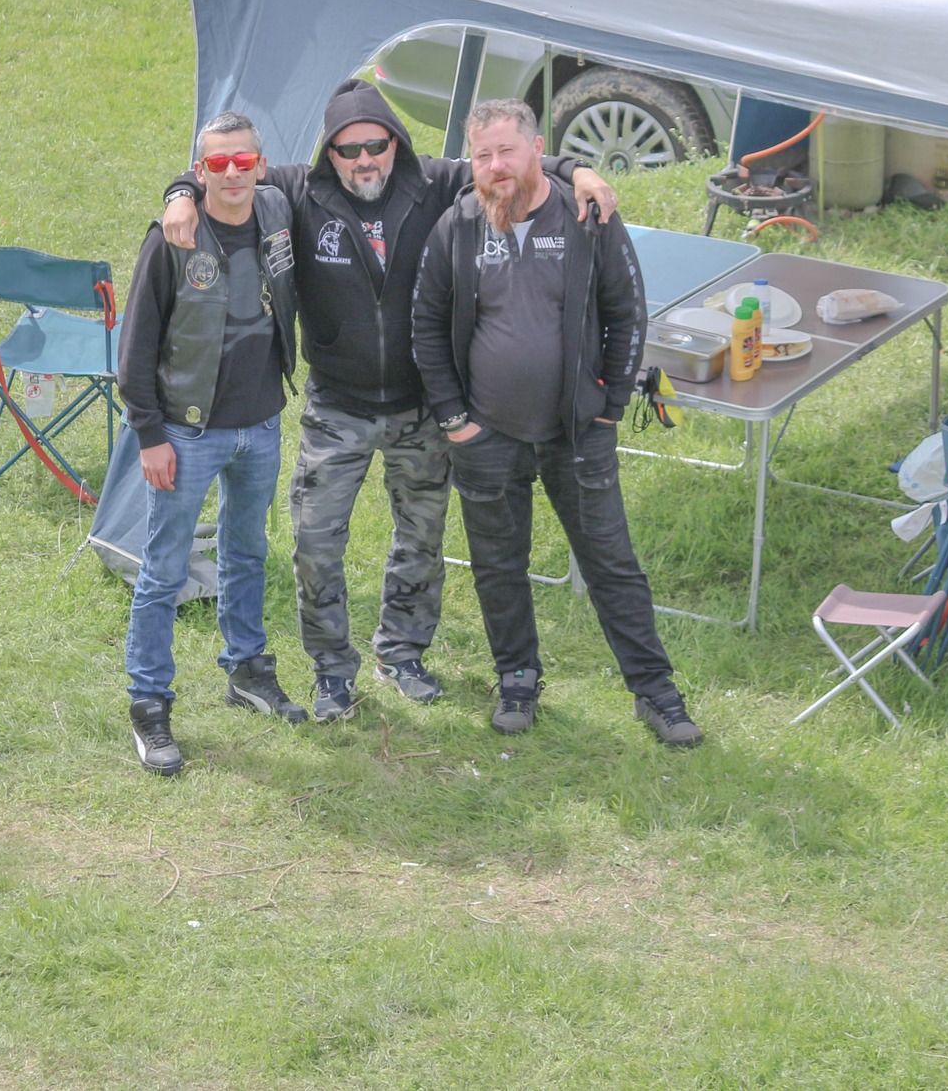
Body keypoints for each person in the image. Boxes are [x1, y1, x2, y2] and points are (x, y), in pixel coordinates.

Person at [158, 80, 618, 722]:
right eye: (348, 151)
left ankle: (402, 653)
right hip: (336, 406)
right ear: (330, 154)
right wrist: (180, 194)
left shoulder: (434, 183)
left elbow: (509, 160)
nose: (364, 160)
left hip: (421, 406)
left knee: (421, 540)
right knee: (316, 544)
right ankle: (331, 670)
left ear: (395, 143)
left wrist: (581, 169)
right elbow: (224, 167)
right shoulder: (298, 191)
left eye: (376, 145)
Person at [411, 98, 703, 747]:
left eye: (507, 151)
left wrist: (611, 407)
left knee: (611, 562)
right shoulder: (458, 225)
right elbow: (426, 325)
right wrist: (455, 420)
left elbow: (628, 311)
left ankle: (656, 691)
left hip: (578, 433)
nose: (495, 166)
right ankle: (517, 678)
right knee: (498, 564)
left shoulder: (585, 217)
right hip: (485, 435)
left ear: (537, 150)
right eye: (482, 155)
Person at [117, 110, 305, 776]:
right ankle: (149, 704)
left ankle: (247, 670)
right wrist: (150, 434)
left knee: (247, 552)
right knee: (164, 569)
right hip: (186, 431)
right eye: (217, 164)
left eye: (242, 161)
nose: (232, 174)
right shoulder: (173, 237)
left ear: (260, 164)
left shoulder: (278, 207)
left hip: (261, 423)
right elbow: (135, 345)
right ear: (200, 171)